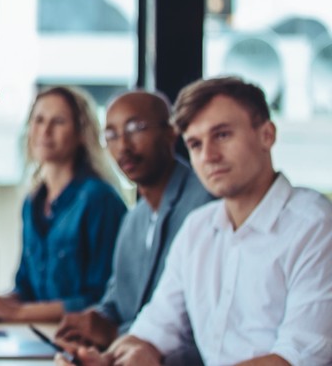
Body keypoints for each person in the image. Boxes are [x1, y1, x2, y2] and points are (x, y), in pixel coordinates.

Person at [58, 76, 332, 366]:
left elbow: (299, 358)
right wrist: (108, 360)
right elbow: (154, 330)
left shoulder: (314, 226)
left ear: (267, 134)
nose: (209, 156)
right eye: (195, 144)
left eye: (223, 135)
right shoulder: (198, 227)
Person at [54, 91, 213, 354]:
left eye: (135, 128)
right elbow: (114, 303)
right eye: (111, 135)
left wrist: (115, 334)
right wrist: (92, 321)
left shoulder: (205, 205)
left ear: (171, 132)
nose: (123, 146)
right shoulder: (133, 219)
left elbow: (198, 326)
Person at [0, 86, 127, 322]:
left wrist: (16, 313)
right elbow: (25, 289)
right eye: (38, 120)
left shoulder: (100, 199)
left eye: (58, 122)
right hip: (37, 335)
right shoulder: (32, 202)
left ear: (81, 133)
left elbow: (101, 299)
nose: (45, 131)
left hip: (79, 342)